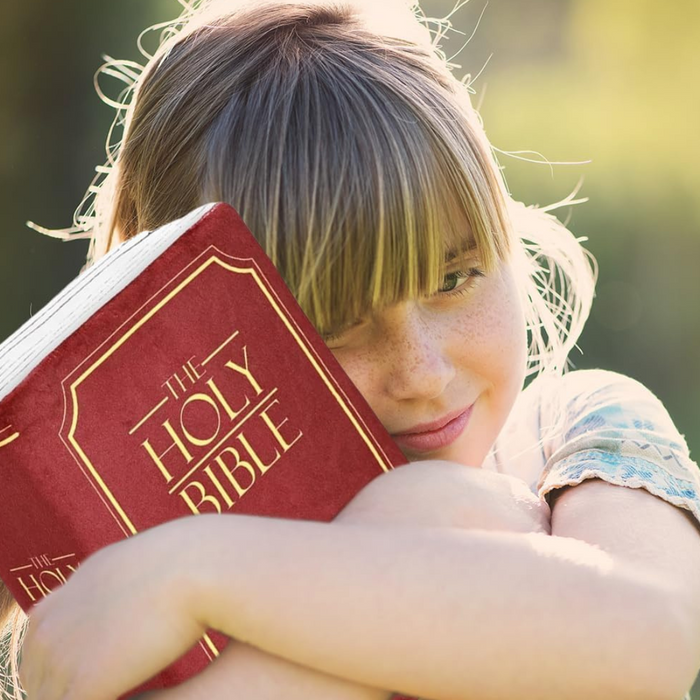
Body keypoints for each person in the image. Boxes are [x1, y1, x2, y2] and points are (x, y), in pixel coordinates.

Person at [3, 0, 700, 698]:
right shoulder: (123, 588)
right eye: (332, 325)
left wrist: (198, 570)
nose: (422, 373)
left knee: (451, 511)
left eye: (454, 278)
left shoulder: (563, 437)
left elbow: (657, 631)